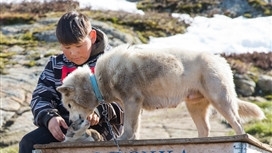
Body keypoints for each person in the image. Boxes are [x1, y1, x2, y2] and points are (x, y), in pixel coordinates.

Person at [19, 11, 124, 153]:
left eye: (79, 45)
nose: (73, 53)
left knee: (84, 142)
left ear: (92, 37)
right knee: (28, 143)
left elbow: (124, 100)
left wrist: (97, 110)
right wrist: (49, 117)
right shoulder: (55, 65)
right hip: (65, 126)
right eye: (67, 48)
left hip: (103, 128)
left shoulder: (113, 62)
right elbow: (41, 96)